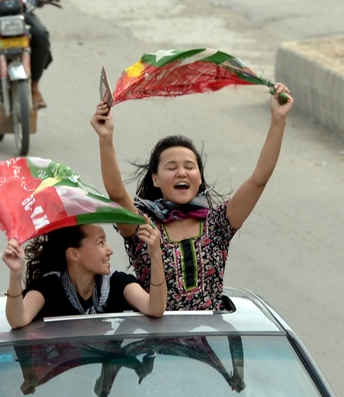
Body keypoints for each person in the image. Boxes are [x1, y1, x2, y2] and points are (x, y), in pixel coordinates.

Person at [90, 83, 294, 311]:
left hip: (209, 342)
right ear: (155, 179)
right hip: (157, 342)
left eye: (189, 166)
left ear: (199, 177)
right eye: (171, 167)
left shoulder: (217, 224)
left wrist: (278, 120)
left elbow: (259, 179)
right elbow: (117, 193)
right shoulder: (144, 226)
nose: (181, 172)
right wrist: (105, 139)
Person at [2, 222, 167, 328]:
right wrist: (15, 274)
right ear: (74, 254)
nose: (109, 250)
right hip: (63, 380)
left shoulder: (116, 283)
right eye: (100, 243)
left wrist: (156, 255)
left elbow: (155, 308)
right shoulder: (50, 286)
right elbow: (18, 320)